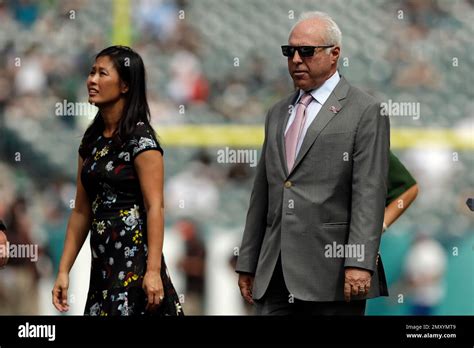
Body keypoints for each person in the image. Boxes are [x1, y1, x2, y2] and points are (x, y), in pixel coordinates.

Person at [236, 11, 390, 315]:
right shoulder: (277, 112)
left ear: (334, 54)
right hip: (274, 272)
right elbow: (262, 193)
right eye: (288, 51)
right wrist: (248, 260)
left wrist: (359, 262)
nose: (295, 59)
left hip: (332, 277)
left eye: (306, 51)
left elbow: (368, 193)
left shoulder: (365, 110)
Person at [52, 46, 183, 316]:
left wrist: (153, 271)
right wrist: (63, 270)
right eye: (91, 73)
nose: (92, 80)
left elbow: (154, 207)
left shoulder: (141, 140)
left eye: (102, 73)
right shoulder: (90, 141)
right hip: (101, 273)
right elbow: (81, 210)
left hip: (136, 270)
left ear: (124, 85)